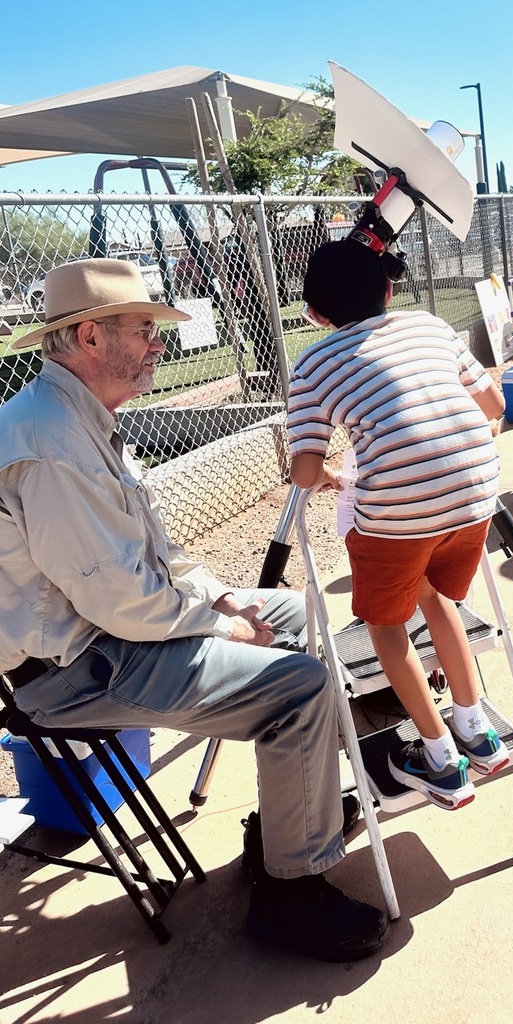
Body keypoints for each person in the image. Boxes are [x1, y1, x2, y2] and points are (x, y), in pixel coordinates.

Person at [0, 258, 388, 963]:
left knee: (302, 618)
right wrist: (221, 624)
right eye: (144, 329)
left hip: (109, 637)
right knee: (299, 689)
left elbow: (155, 550)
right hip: (75, 666)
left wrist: (225, 597)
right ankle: (288, 890)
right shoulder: (51, 442)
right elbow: (116, 598)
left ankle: (289, 824)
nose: (158, 345)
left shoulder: (77, 417)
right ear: (90, 337)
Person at [287, 240, 509, 813]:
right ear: (389, 290)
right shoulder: (430, 325)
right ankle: (477, 729)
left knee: (385, 625)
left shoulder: (311, 363)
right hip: (476, 493)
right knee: (436, 599)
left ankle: (440, 761)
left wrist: (333, 470)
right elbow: (494, 406)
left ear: (314, 314)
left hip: (399, 513)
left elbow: (305, 471)